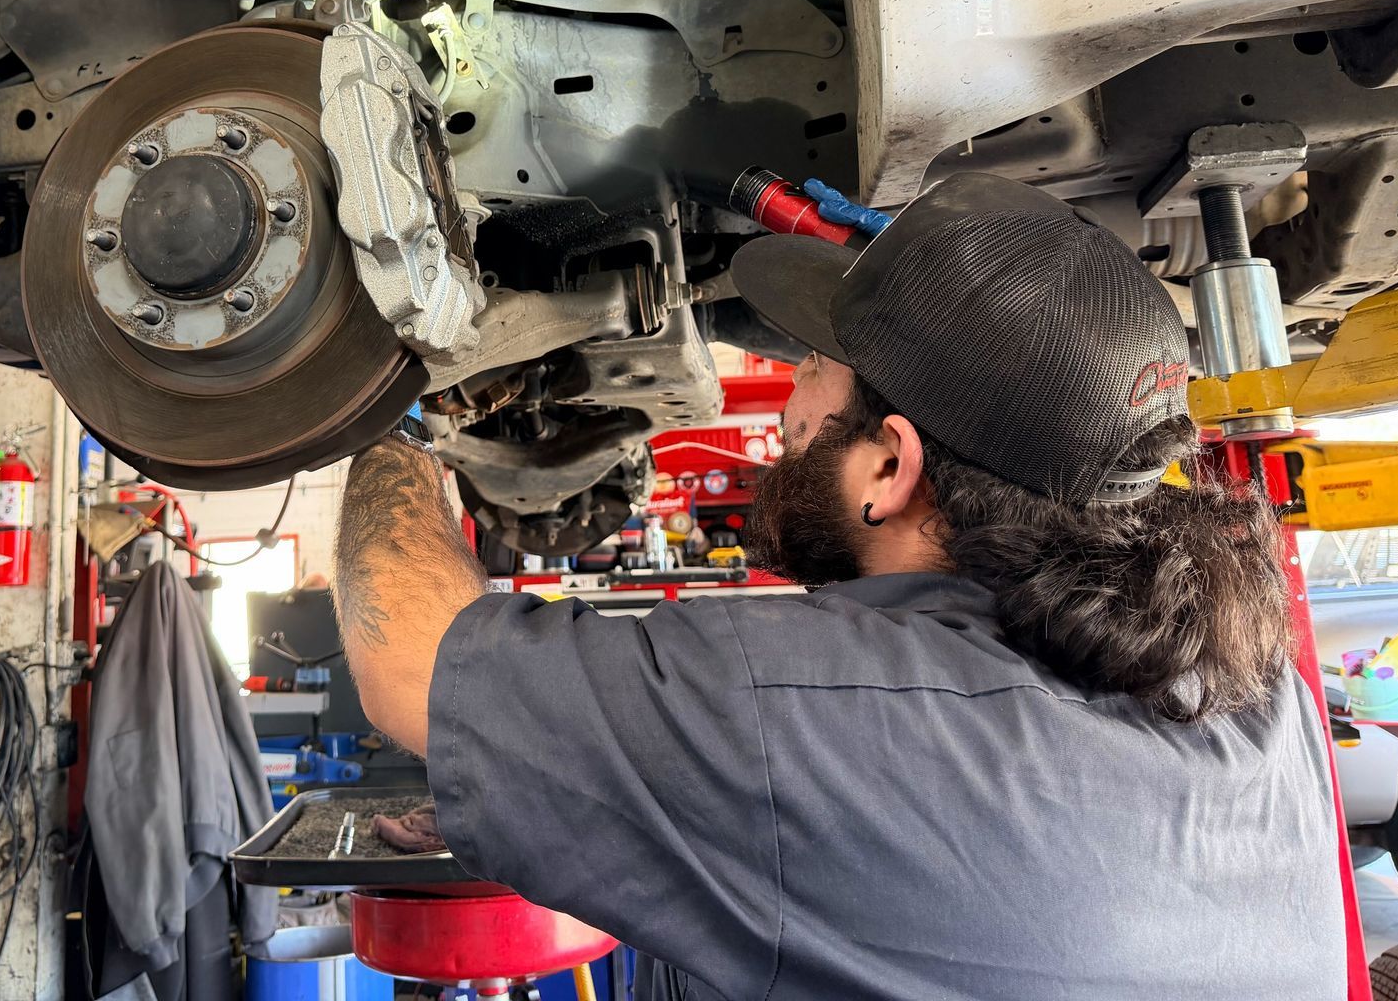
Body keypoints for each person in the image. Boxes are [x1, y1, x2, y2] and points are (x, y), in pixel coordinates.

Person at [330, 172, 1342, 1000]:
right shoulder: (1255, 695)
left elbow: (410, 659)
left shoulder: (797, 711)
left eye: (815, 365)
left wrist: (385, 409)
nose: (788, 401)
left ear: (890, 468)